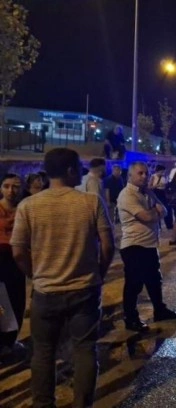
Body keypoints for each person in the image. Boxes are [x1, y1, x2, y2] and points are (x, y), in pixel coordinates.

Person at [10, 148, 115, 408]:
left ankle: (43, 404)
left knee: (43, 353)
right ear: (70, 170)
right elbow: (108, 245)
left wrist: (35, 275)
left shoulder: (28, 206)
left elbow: (18, 251)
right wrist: (99, 274)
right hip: (85, 289)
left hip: (45, 292)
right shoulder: (91, 202)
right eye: (78, 167)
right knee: (85, 350)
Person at [117, 162, 176, 332]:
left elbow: (164, 211)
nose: (145, 176)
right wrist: (156, 211)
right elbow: (146, 217)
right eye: (140, 173)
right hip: (134, 245)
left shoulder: (148, 192)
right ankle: (131, 319)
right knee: (134, 284)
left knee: (154, 280)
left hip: (149, 244)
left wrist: (157, 211)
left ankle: (160, 310)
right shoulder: (127, 195)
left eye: (146, 173)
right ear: (130, 175)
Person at [0, 174, 26, 362]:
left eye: (15, 186)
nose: (11, 190)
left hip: (17, 262)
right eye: (7, 186)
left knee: (17, 301)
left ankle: (10, 342)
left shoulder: (24, 210)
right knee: (1, 304)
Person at [149, 164, 173, 231]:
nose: (163, 173)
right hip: (156, 193)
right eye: (161, 171)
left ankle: (169, 225)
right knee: (157, 210)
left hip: (164, 193)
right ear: (157, 171)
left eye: (163, 171)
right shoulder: (153, 177)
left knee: (168, 209)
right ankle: (158, 227)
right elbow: (149, 187)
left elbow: (167, 184)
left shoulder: (164, 176)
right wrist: (157, 185)